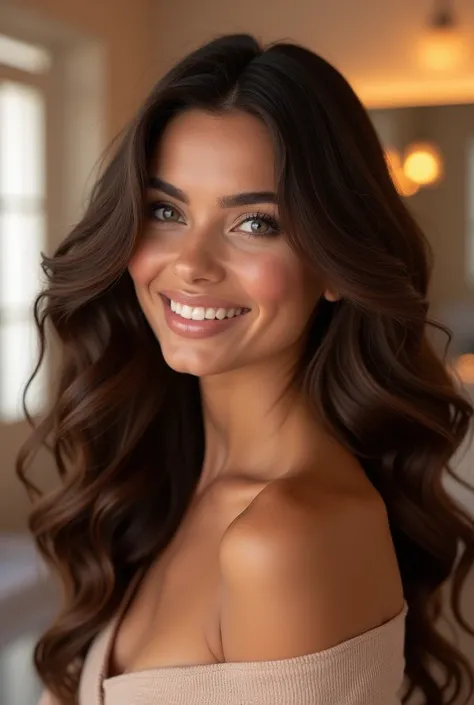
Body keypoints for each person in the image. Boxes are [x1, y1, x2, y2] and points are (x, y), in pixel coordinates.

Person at [18, 33, 474, 705]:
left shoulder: (284, 536)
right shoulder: (177, 488)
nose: (193, 264)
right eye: (166, 211)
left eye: (255, 223)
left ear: (333, 265)